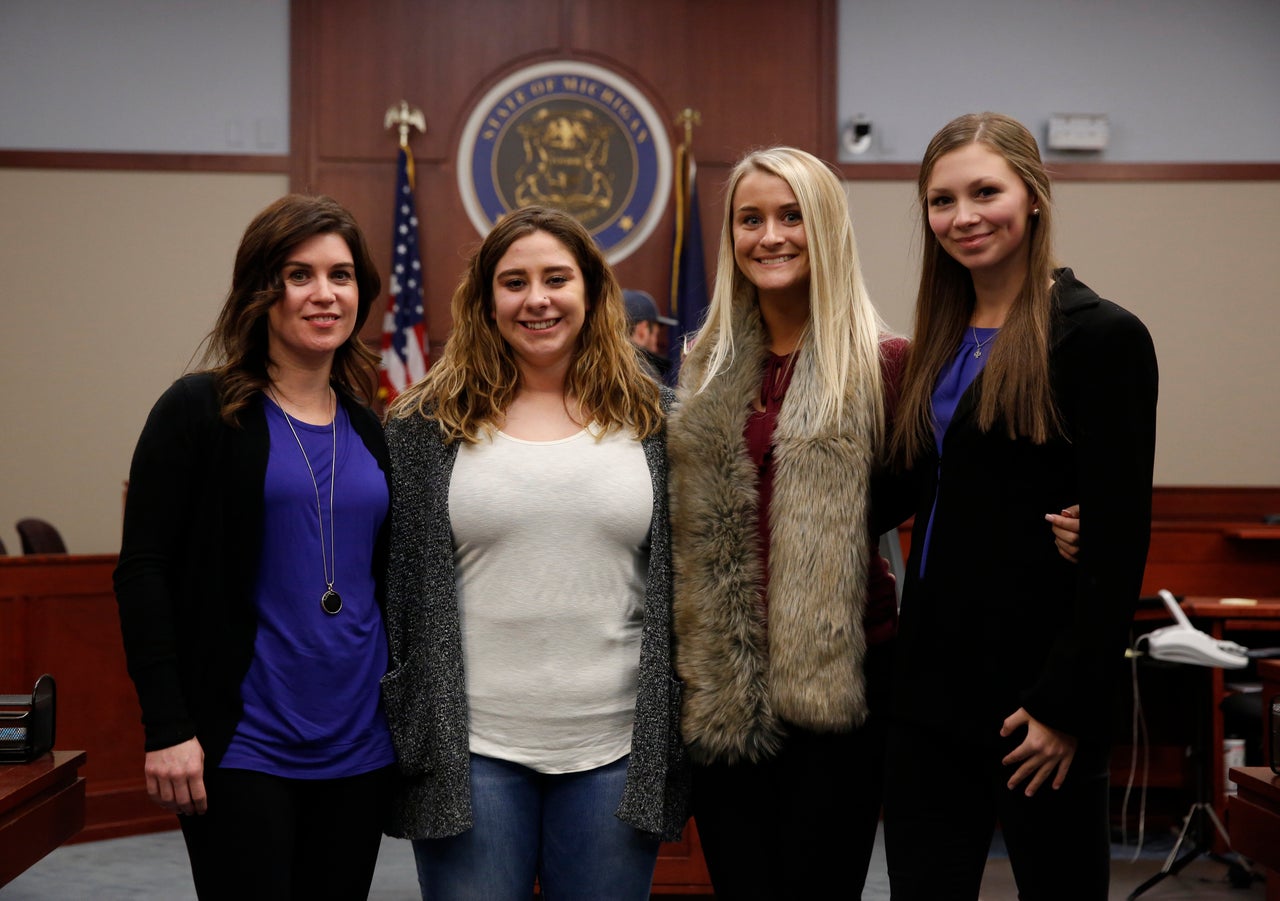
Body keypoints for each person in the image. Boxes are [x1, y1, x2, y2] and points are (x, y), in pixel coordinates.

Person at [883, 112, 1158, 900]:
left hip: (1037, 701)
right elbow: (917, 488)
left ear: (1033, 196)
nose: (963, 217)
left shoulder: (1101, 337)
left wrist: (1063, 705)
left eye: (985, 192)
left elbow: (1117, 541)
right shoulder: (938, 335)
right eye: (942, 200)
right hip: (929, 691)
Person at [380, 205, 689, 900]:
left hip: (615, 749)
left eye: (557, 278)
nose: (537, 298)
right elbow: (395, 590)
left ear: (592, 292)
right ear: (487, 302)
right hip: (470, 751)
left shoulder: (658, 419)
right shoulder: (423, 427)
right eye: (514, 282)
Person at [113, 194, 397, 898]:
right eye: (298, 274)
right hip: (246, 741)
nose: (324, 293)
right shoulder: (199, 411)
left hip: (360, 742)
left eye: (341, 274)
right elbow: (143, 572)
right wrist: (167, 725)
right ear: (261, 291)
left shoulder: (371, 427)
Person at [666, 146, 904, 899]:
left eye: (791, 215)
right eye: (750, 219)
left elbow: (952, 500)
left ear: (826, 226)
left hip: (838, 686)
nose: (769, 235)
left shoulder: (883, 363)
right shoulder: (702, 362)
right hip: (724, 683)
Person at [623, 288, 677, 380]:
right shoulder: (645, 374)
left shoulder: (597, 365)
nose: (656, 348)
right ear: (642, 331)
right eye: (656, 335)